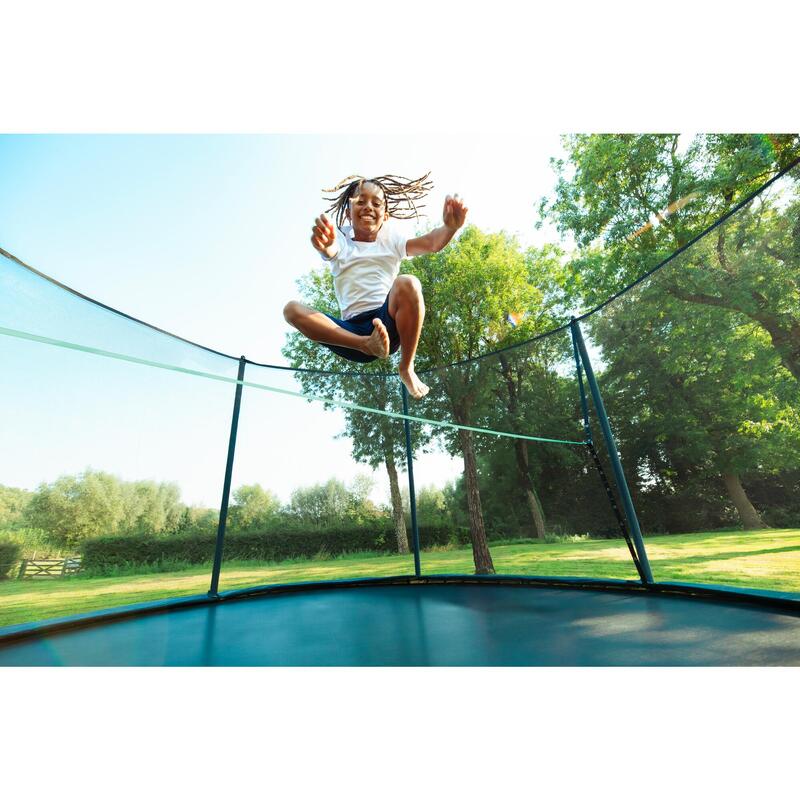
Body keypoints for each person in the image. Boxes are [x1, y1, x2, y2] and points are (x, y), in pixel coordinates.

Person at [283, 173, 468, 399]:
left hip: (386, 324)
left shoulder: (391, 239)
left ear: (385, 215)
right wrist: (325, 244)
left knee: (408, 283)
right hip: (349, 333)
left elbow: (431, 243)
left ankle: (407, 367)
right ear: (349, 215)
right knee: (292, 310)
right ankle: (365, 344)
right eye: (360, 201)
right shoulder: (341, 237)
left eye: (376, 203)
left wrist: (450, 228)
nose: (368, 206)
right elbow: (331, 249)